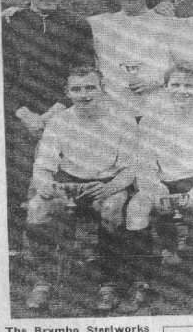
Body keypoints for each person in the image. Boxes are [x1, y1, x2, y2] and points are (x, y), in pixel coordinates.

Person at [24, 66, 137, 312]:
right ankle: (43, 282)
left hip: (106, 184)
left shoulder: (122, 119)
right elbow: (43, 166)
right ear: (67, 93)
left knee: (111, 209)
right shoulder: (59, 121)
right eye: (76, 89)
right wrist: (48, 187)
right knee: (37, 208)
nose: (84, 94)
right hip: (69, 184)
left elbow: (130, 169)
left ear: (101, 89)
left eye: (90, 87)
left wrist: (110, 188)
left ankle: (109, 285)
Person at [2, 0, 95, 249]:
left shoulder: (77, 24)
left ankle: (72, 250)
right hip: (18, 115)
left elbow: (84, 71)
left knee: (64, 180)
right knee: (17, 181)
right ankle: (19, 251)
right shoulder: (10, 23)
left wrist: (55, 112)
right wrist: (24, 113)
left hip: (65, 113)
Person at [125, 62, 193, 309]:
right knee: (136, 209)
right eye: (175, 85)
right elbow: (144, 164)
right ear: (165, 87)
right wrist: (154, 188)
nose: (182, 91)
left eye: (189, 86)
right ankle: (144, 282)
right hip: (164, 184)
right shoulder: (150, 120)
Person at [87, 0, 171, 122]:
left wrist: (156, 81)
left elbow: (182, 65)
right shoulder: (99, 24)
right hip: (115, 110)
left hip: (156, 108)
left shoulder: (167, 23)